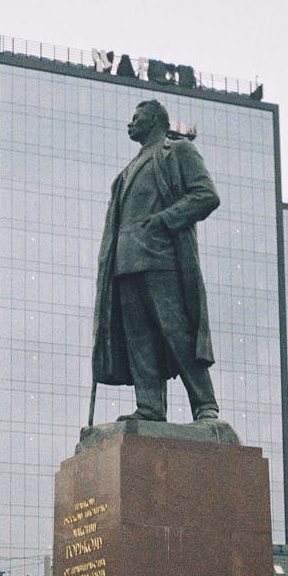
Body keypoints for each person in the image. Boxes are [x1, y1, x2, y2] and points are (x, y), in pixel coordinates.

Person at [92, 99, 221, 423]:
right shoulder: (125, 173)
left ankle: (205, 406)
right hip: (124, 264)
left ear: (154, 120)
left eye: (136, 117)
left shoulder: (176, 151)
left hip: (162, 260)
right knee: (139, 339)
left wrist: (164, 220)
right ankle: (150, 406)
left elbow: (206, 195)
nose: (129, 123)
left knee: (177, 332)